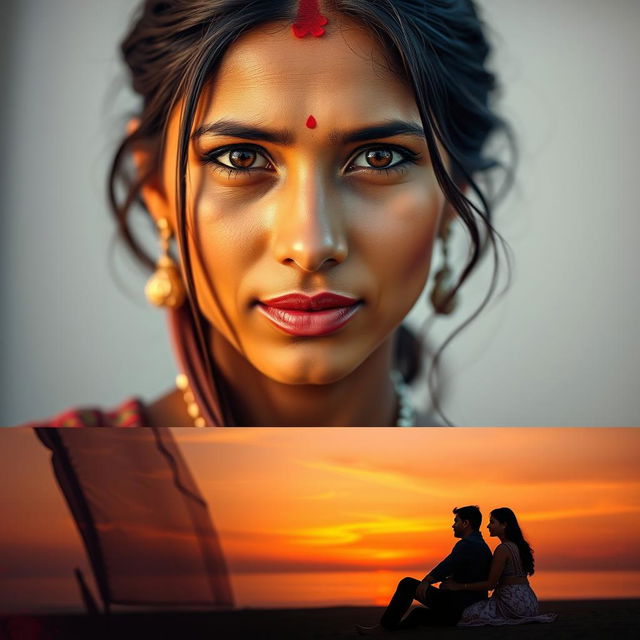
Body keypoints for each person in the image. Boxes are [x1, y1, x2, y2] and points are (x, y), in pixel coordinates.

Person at [26, 0, 513, 427]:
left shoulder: (515, 505)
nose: (311, 245)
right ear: (155, 187)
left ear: (456, 192)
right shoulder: (34, 494)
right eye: (240, 158)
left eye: (379, 158)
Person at [356, 505, 492, 634]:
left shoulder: (468, 544)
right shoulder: (481, 545)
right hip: (464, 607)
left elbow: (446, 566)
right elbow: (463, 569)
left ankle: (383, 628)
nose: (453, 525)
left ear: (465, 523)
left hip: (459, 608)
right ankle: (390, 631)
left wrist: (427, 581)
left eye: (456, 521)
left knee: (407, 584)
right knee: (418, 614)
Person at [442, 507, 557, 626]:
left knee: (468, 614)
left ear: (504, 525)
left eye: (492, 522)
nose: (488, 526)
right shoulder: (518, 546)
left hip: (512, 603)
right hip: (530, 602)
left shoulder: (503, 549)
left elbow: (490, 584)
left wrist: (459, 586)